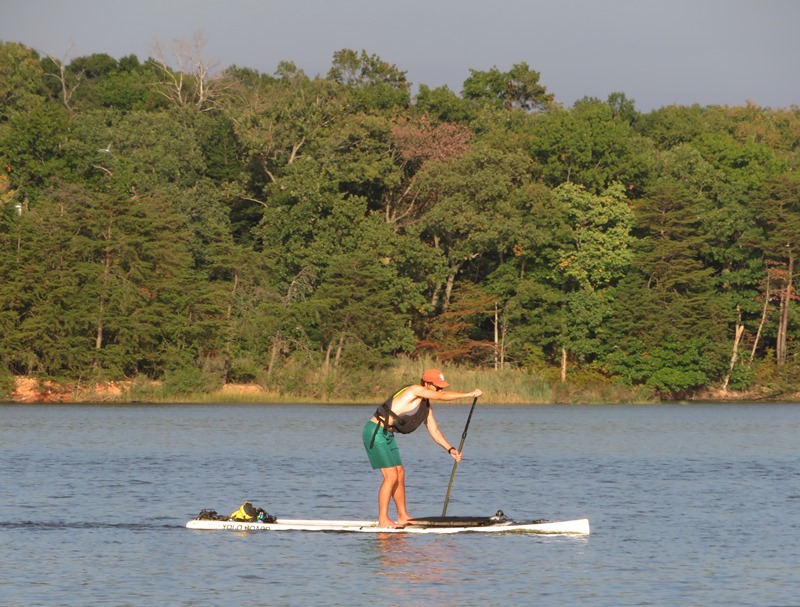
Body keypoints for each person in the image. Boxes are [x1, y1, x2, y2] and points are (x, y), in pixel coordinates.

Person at [362, 368, 482, 528]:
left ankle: (403, 516)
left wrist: (450, 449)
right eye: (437, 387)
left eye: (442, 387)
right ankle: (383, 518)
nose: (440, 390)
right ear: (426, 383)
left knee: (400, 473)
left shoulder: (426, 407)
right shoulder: (414, 390)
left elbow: (434, 430)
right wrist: (468, 394)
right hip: (375, 432)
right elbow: (442, 397)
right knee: (390, 476)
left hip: (387, 435)